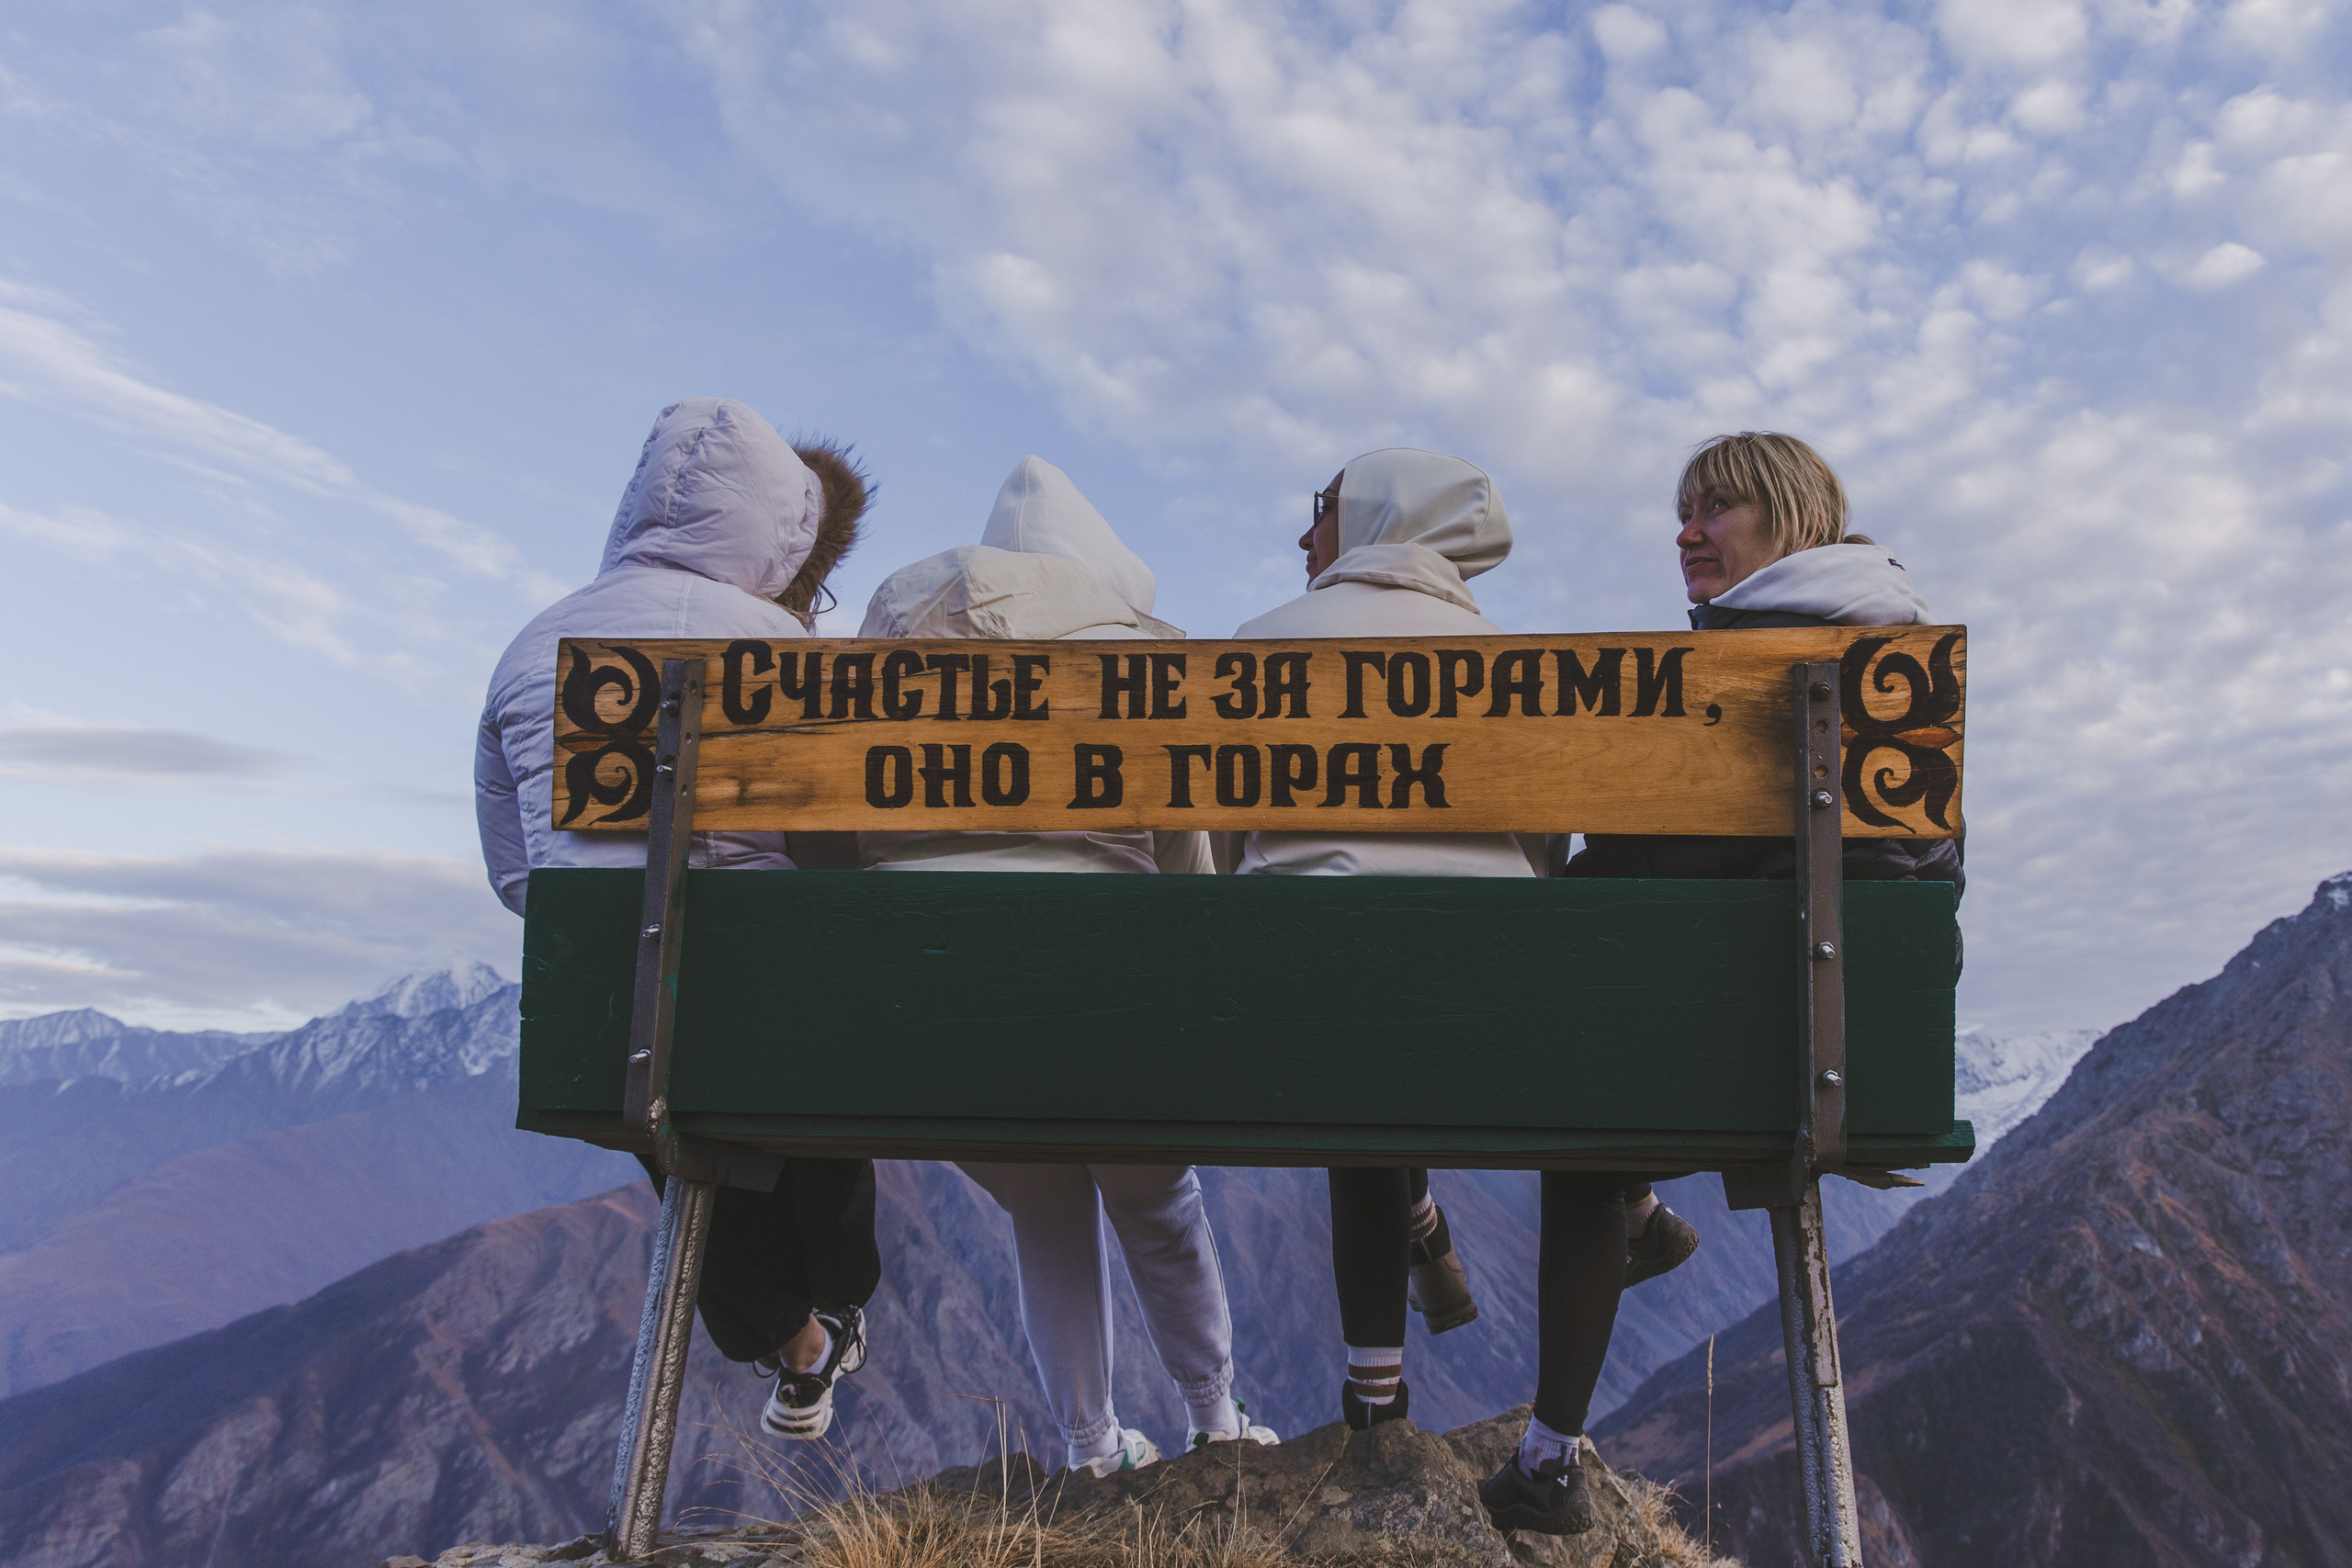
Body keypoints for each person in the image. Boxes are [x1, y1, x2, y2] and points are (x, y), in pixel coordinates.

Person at [857, 455, 1274, 1476]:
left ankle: (1089, 1442)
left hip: (932, 1018)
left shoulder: (891, 633)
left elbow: (837, 845)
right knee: (1154, 1193)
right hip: (1108, 1010)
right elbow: (1189, 875)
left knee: (1042, 1195)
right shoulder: (1138, 669)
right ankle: (1215, 1416)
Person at [473, 397, 878, 1440]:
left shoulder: (531, 645)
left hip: (603, 1015)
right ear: (782, 532)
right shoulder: (784, 649)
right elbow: (845, 860)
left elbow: (518, 878)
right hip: (777, 1015)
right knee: (803, 1053)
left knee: (665, 1085)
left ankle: (795, 1338)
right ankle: (834, 1295)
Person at [1227, 448, 1544, 1433]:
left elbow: (1226, 839)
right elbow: (1544, 852)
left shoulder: (1258, 642)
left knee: (1342, 996)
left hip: (1295, 1008)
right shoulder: (1520, 668)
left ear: (1371, 516)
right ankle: (1416, 1224)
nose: (1302, 533)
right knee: (1387, 995)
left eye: (1320, 509)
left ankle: (1374, 1384)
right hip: (1488, 1013)